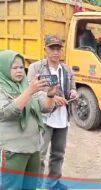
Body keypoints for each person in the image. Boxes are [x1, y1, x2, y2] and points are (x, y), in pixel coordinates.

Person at [0, 50, 56, 189]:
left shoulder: (26, 85)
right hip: (14, 151)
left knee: (30, 187)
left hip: (34, 149)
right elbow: (8, 112)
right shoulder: (2, 88)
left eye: (21, 67)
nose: (19, 71)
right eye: (14, 68)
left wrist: (50, 95)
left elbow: (45, 108)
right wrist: (29, 91)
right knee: (12, 187)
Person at [27, 35, 77, 189]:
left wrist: (73, 92)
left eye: (58, 48)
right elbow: (31, 92)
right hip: (44, 119)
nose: (56, 52)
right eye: (52, 48)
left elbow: (73, 86)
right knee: (40, 155)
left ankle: (53, 183)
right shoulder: (36, 68)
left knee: (58, 154)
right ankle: (37, 185)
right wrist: (52, 97)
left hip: (62, 119)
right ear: (45, 50)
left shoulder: (66, 69)